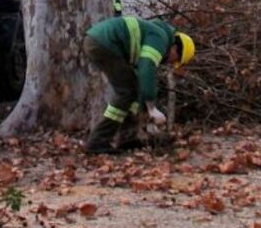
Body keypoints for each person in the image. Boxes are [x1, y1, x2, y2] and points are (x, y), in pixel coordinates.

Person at [83, 16, 194, 154]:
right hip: (104, 43)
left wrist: (145, 113)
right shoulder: (160, 39)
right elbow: (146, 68)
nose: (171, 63)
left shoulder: (156, 34)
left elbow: (140, 81)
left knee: (132, 89)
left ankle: (128, 138)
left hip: (99, 41)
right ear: (175, 48)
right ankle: (97, 142)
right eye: (176, 59)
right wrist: (151, 107)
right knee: (126, 92)